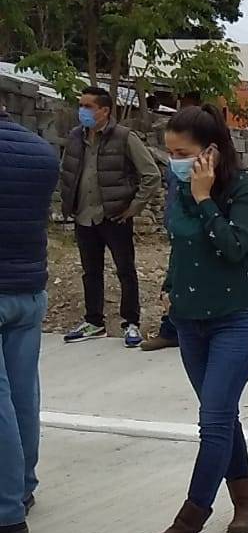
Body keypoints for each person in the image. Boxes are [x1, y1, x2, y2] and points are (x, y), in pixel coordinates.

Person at [128, 105, 248, 533]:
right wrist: (171, 286)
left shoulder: (246, 189)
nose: (174, 161)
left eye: (182, 153)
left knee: (213, 420)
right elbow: (182, 242)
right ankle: (246, 499)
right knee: (221, 415)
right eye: (170, 152)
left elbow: (233, 246)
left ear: (211, 151)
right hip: (191, 321)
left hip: (239, 319)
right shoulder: (179, 187)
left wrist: (205, 198)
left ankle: (184, 530)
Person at [58, 85, 161, 348]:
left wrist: (133, 208)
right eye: (81, 106)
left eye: (88, 106)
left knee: (125, 270)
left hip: (115, 216)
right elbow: (67, 171)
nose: (82, 111)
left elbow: (151, 175)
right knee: (90, 271)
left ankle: (131, 322)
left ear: (104, 111)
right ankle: (94, 322)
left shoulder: (125, 137)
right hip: (84, 215)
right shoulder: (75, 137)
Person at [0, 107, 59, 533]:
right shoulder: (40, 152)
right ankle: (22, 486)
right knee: (23, 394)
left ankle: (6, 511)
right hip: (29, 288)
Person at [140, 150, 181, 351]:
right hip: (178, 228)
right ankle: (171, 330)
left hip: (198, 230)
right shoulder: (176, 163)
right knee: (174, 281)